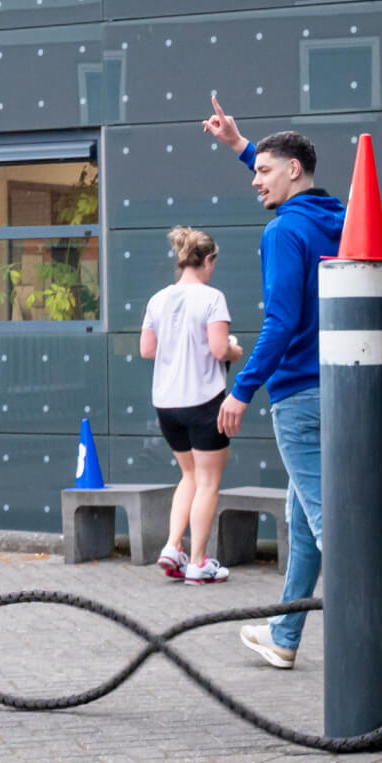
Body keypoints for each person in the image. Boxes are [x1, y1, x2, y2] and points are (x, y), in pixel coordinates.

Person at [201, 95, 345, 669]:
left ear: (292, 172)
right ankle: (285, 638)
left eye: (263, 172)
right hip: (336, 390)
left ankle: (367, 635)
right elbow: (282, 178)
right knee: (305, 524)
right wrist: (240, 146)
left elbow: (282, 319)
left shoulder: (283, 233)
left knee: (327, 521)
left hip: (298, 398)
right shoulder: (333, 215)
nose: (254, 182)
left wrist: (242, 388)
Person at [140, 226, 243, 585]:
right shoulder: (213, 298)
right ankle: (198, 562)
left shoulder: (157, 299)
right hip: (204, 401)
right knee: (209, 483)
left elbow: (147, 350)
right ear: (209, 259)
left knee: (189, 475)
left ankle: (172, 547)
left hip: (166, 405)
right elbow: (218, 350)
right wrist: (234, 348)